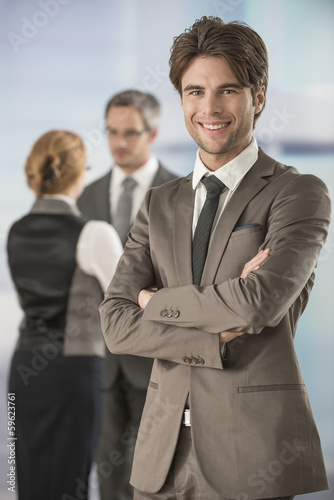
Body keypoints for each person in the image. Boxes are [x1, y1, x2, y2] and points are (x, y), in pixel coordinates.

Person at [99, 16, 331, 500]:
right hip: (160, 459)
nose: (210, 108)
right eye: (194, 92)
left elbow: (257, 304)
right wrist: (215, 332)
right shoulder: (159, 202)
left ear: (258, 97)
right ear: (181, 99)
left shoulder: (297, 192)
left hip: (252, 456)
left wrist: (153, 300)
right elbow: (115, 324)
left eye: (227, 91)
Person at [7, 130, 123, 500]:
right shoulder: (94, 233)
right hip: (73, 371)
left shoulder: (16, 230)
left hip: (24, 369)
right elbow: (128, 298)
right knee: (70, 483)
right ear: (79, 174)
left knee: (30, 482)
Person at [77, 89, 177, 500]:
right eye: (112, 132)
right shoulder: (85, 195)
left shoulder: (181, 193)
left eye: (130, 133)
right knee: (109, 470)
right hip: (100, 359)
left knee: (160, 473)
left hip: (158, 356)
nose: (119, 143)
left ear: (152, 134)